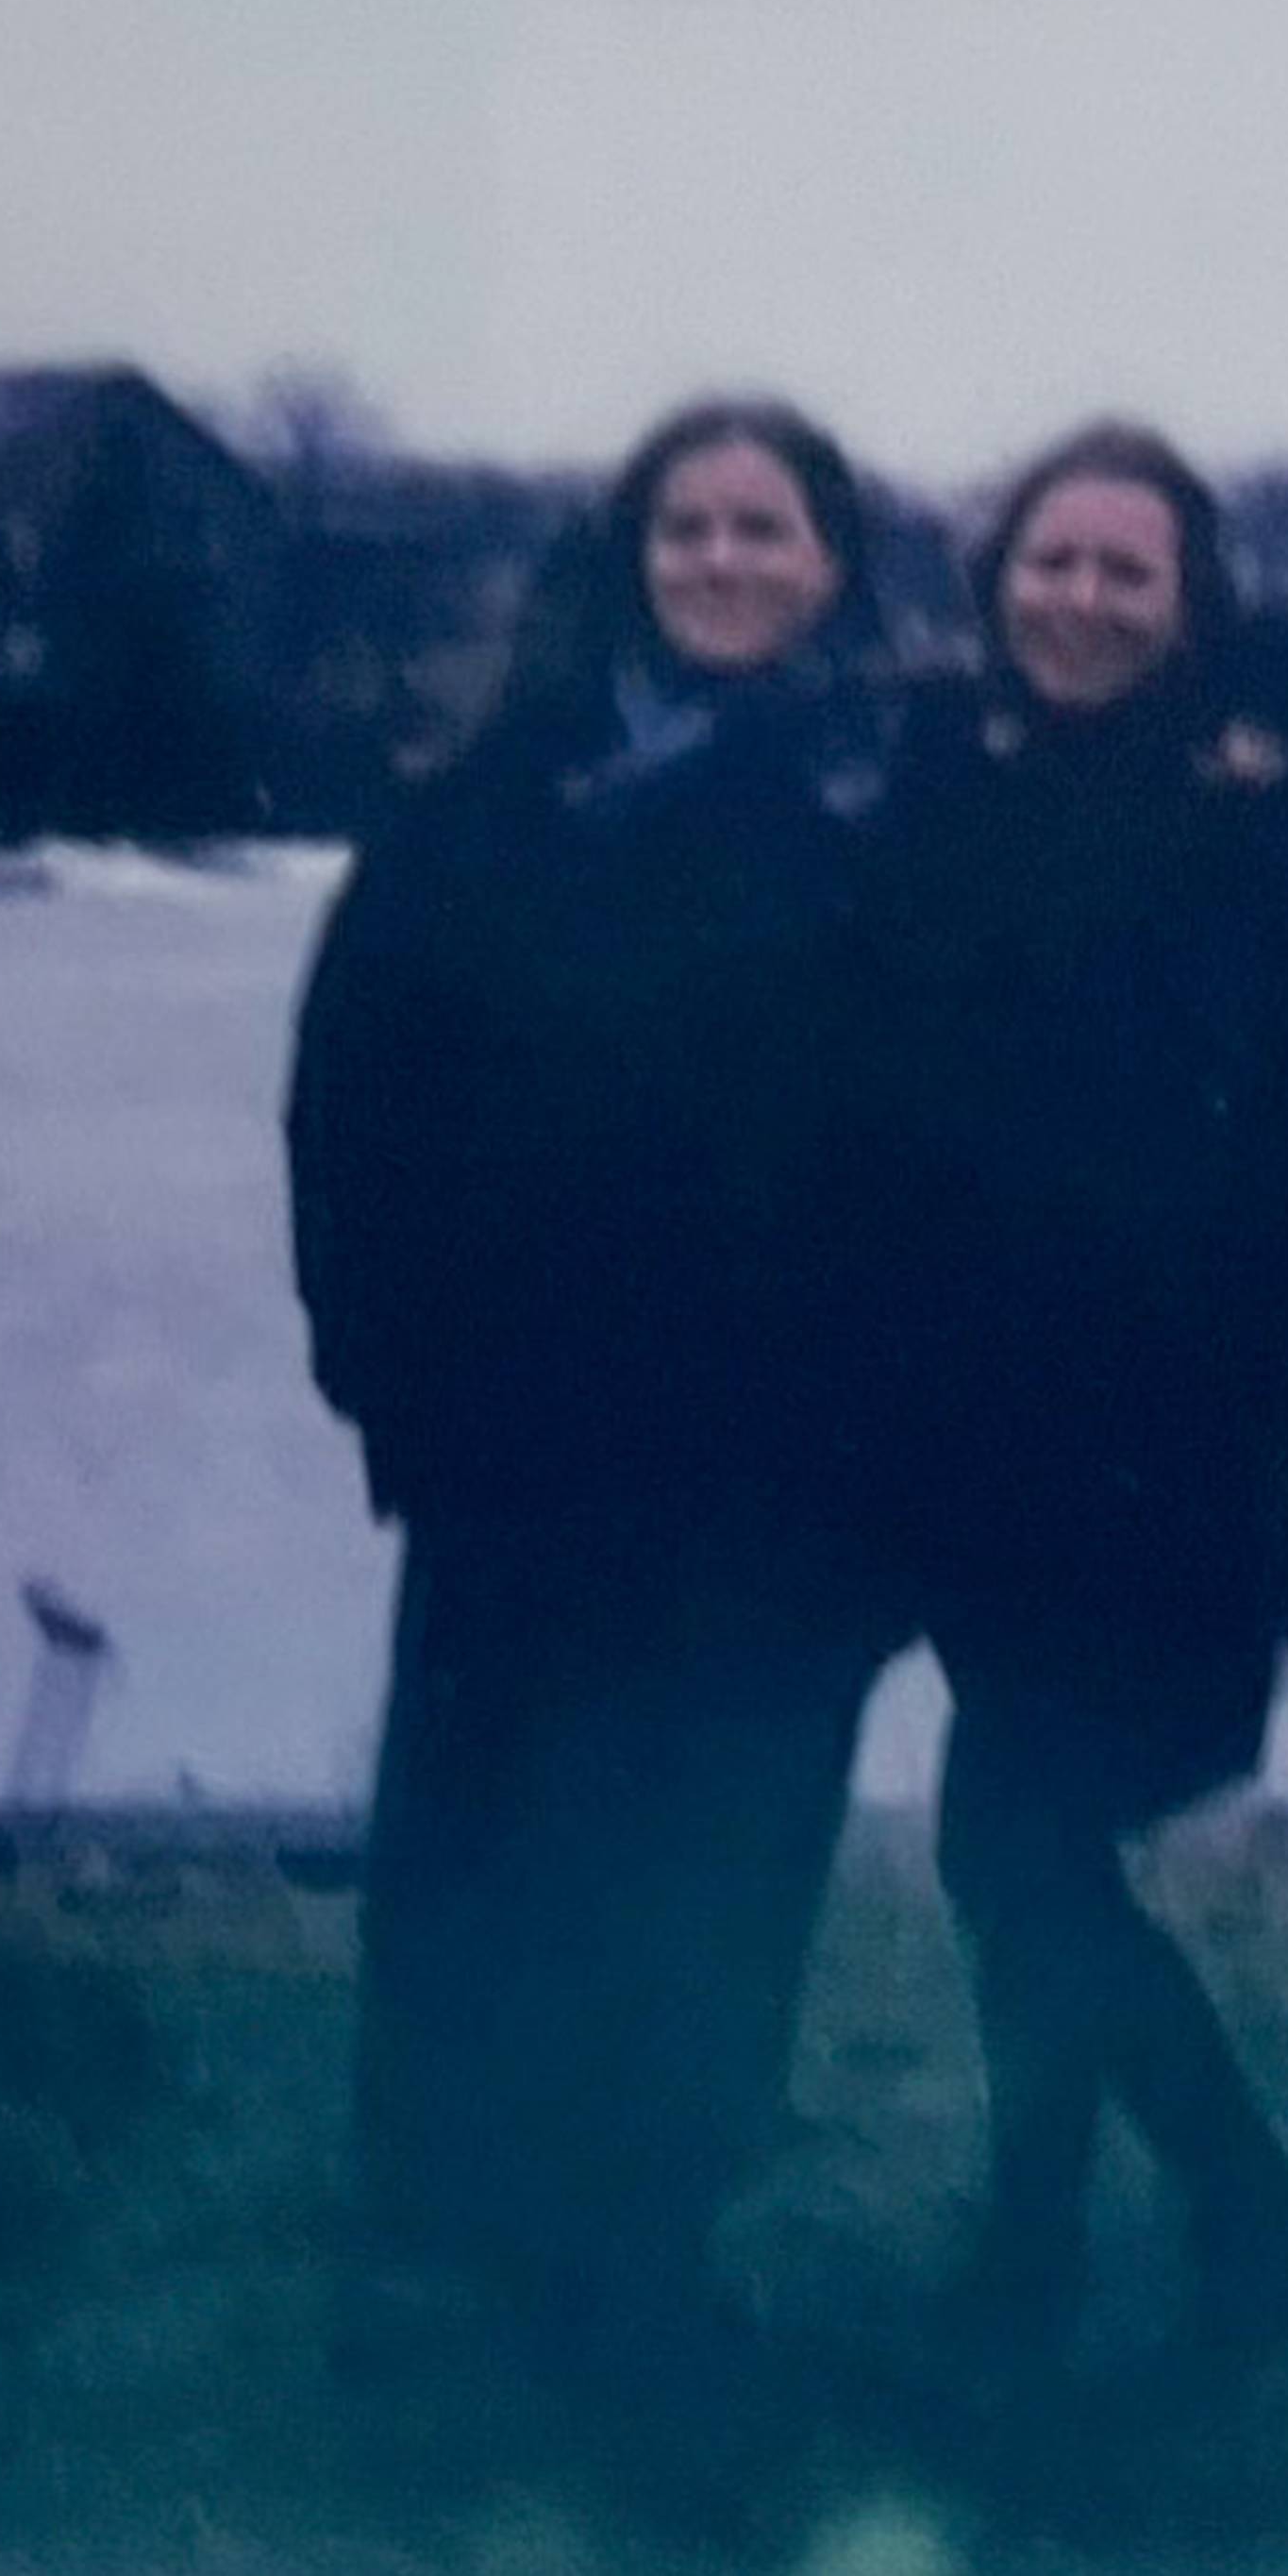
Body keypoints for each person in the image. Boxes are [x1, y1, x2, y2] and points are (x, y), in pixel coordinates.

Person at [283, 396, 910, 2377]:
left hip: (788, 1470)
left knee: (723, 1856)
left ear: (832, 565)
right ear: (631, 560)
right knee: (492, 1841)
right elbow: (349, 1108)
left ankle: (652, 2250)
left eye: (765, 529)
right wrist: (388, 1383)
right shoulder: (488, 804)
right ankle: (448, 2233)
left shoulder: (900, 810)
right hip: (522, 1446)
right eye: (687, 528)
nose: (724, 562)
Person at [878, 421, 1288, 2385]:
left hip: (1186, 1456)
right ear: (996, 585)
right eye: (1052, 562)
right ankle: (1040, 2251)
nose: (1084, 600)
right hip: (983, 1446)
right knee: (1022, 1832)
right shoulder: (953, 795)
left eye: (1128, 570)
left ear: (1193, 602)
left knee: (1016, 1843)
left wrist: (1282, 1380)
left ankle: (1251, 2223)